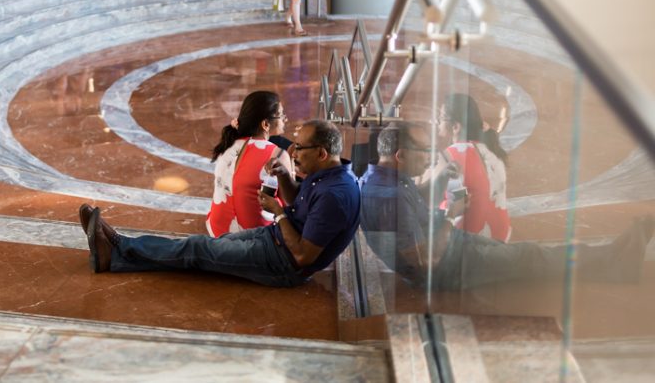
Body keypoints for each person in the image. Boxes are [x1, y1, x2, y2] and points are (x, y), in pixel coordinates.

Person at [361, 123, 654, 290]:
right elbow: (424, 259)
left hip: (455, 250)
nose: (430, 157)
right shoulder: (388, 197)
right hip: (449, 269)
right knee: (532, 257)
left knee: (529, 254)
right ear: (400, 155)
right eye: (425, 152)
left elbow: (410, 211)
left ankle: (612, 263)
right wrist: (449, 216)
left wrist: (436, 184)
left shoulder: (385, 180)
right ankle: (615, 261)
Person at [78, 120, 361, 287]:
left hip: (283, 265)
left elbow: (303, 257)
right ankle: (112, 256)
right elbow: (297, 201)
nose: (293, 151)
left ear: (322, 153)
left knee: (197, 249)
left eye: (299, 148)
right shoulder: (327, 176)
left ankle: (119, 246)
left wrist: (279, 215)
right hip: (275, 241)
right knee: (199, 250)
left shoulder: (335, 196)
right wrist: (286, 176)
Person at [207, 91, 293, 237]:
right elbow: (290, 205)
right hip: (252, 240)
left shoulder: (228, 144)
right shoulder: (278, 155)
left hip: (216, 230)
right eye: (281, 115)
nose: (285, 119)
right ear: (266, 124)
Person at [438, 93, 512, 242]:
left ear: (455, 127)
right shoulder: (491, 150)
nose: (437, 122)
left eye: (440, 118)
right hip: (500, 236)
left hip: (472, 241)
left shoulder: (449, 156)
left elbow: (455, 205)